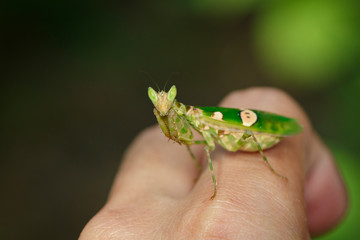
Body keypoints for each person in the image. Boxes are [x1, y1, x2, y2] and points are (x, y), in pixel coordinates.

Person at [80, 88, 347, 239]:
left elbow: (206, 147)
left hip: (260, 134)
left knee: (223, 143)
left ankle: (267, 168)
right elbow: (184, 140)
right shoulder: (183, 119)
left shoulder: (200, 117)